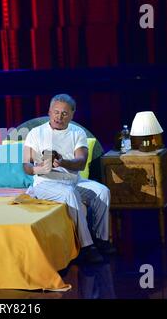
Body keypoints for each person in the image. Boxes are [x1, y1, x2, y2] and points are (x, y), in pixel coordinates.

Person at [23, 94, 116, 263]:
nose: (59, 117)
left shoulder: (77, 132)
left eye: (64, 113)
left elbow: (80, 163)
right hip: (46, 183)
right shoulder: (36, 133)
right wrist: (39, 168)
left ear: (72, 114)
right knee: (69, 194)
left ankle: (101, 239)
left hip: (73, 180)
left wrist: (62, 162)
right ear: (50, 112)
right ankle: (86, 246)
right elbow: (26, 167)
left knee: (103, 191)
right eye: (56, 112)